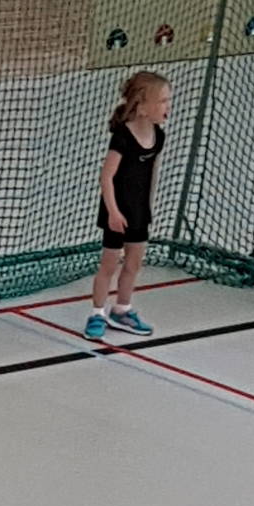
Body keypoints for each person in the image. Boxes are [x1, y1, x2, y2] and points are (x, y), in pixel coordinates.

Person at [84, 71, 171, 340]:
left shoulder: (158, 136)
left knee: (133, 264)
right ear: (142, 107)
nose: (167, 106)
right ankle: (97, 313)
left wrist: (147, 207)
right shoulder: (122, 137)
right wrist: (113, 211)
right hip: (117, 212)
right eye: (162, 101)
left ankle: (122, 310)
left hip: (138, 212)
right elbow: (106, 177)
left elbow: (152, 173)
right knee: (108, 266)